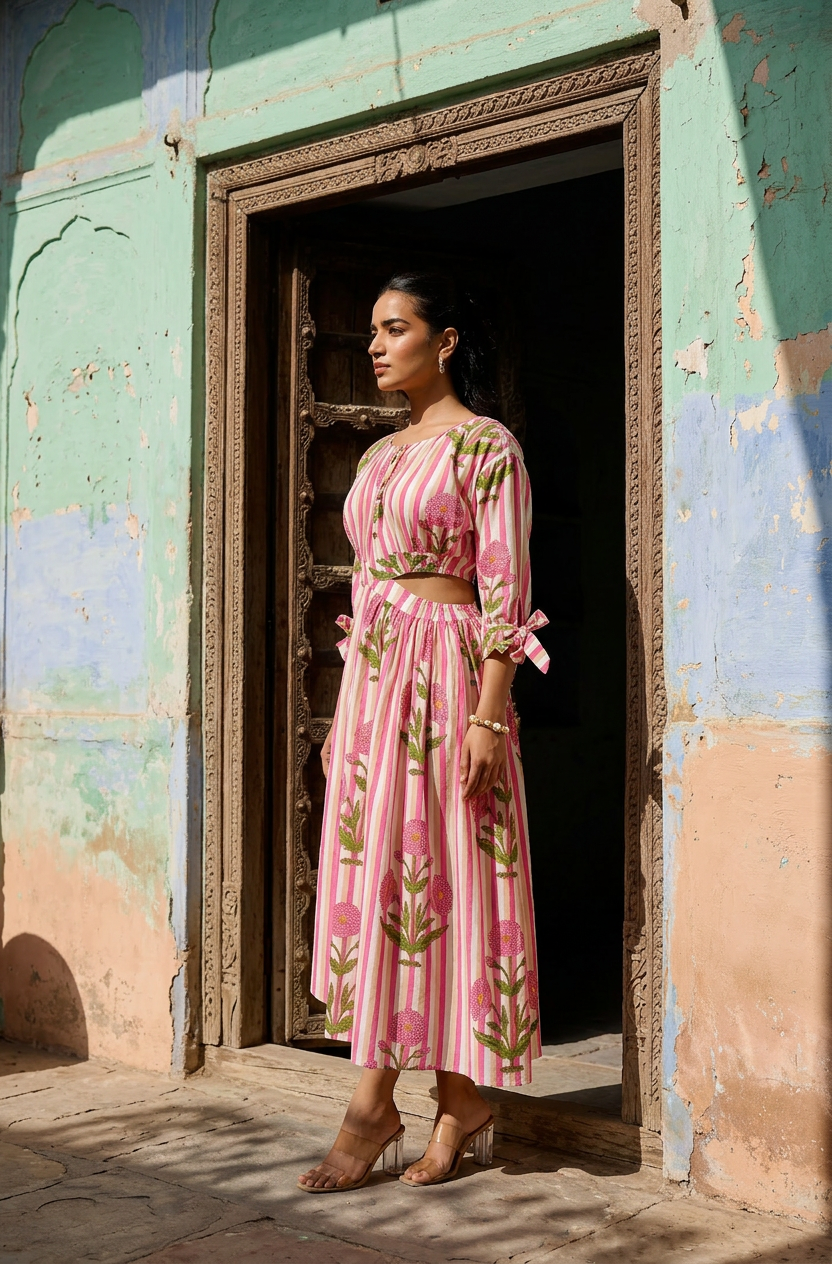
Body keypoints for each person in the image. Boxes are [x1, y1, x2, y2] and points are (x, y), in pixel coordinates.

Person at [298, 273, 548, 1192]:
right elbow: (365, 585)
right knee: (390, 882)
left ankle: (377, 1106)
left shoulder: (487, 447)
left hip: (451, 678)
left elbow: (506, 589)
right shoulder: (375, 455)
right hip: (377, 684)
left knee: (447, 871)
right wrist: (347, 714)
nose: (374, 344)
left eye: (394, 328)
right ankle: (457, 1101)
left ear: (443, 342)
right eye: (371, 330)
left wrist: (488, 714)